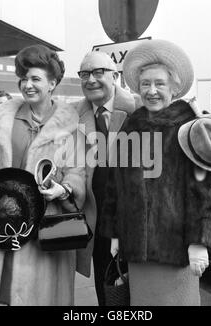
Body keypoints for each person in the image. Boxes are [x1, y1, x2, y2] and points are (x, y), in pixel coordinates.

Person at [100, 39, 211, 305]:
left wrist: (199, 242)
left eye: (159, 84)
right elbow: (116, 185)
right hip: (136, 247)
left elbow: (204, 190)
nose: (152, 91)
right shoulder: (132, 126)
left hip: (176, 249)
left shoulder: (190, 128)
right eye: (146, 84)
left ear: (174, 88)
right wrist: (116, 232)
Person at [0, 44, 88, 306]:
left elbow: (77, 173)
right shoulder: (4, 120)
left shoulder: (70, 127)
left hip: (45, 231)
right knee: (4, 295)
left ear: (52, 83)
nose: (27, 85)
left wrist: (63, 189)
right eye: (23, 79)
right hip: (1, 223)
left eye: (35, 79)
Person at [72, 51, 138, 306]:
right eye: (85, 74)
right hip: (98, 221)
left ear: (115, 76)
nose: (91, 80)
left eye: (99, 72)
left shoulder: (140, 107)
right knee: (108, 289)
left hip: (135, 218)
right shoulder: (72, 115)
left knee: (138, 292)